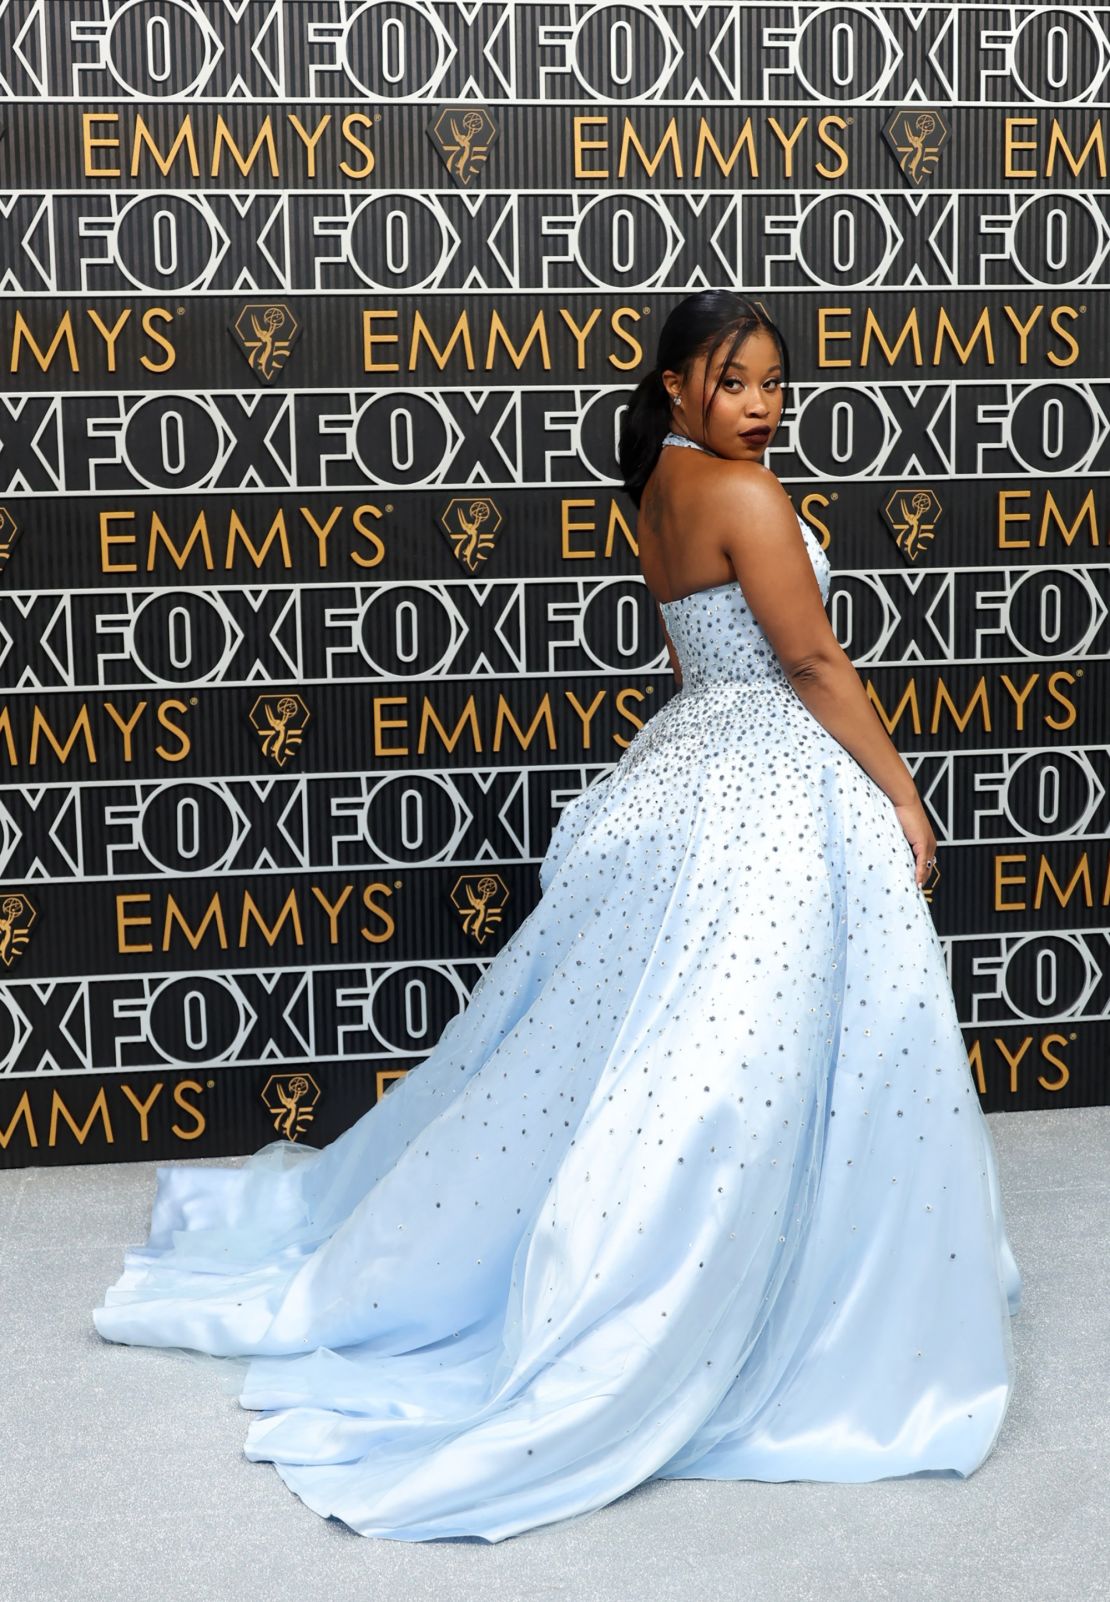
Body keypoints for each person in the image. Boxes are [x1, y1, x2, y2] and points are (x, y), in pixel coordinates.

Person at [94, 290, 1021, 1544]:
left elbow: (704, 661)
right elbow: (811, 665)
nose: (763, 406)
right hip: (768, 774)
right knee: (741, 1058)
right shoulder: (745, 496)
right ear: (682, 383)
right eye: (737, 382)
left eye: (777, 385)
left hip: (698, 760)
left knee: (680, 1046)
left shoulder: (665, 490)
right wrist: (901, 794)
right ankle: (751, 1296)